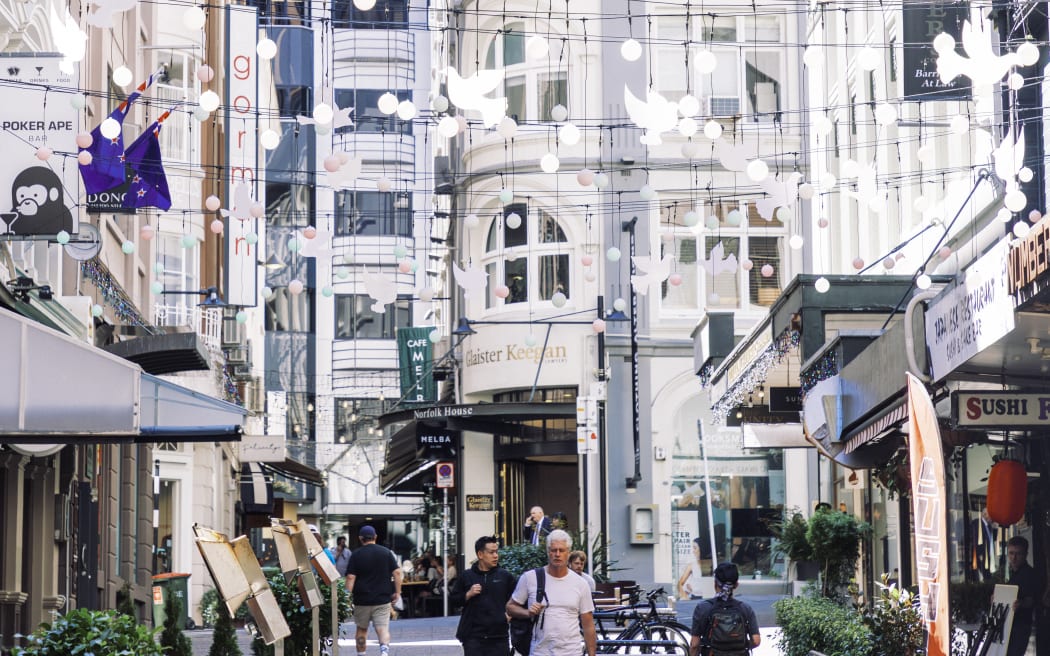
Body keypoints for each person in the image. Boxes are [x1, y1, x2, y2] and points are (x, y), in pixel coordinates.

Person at [507, 529, 597, 656]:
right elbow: (510, 607)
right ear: (548, 552)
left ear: (568, 553)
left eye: (561, 550)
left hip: (572, 651)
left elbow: (588, 624)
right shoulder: (530, 578)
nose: (557, 554)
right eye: (554, 550)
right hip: (539, 651)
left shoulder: (581, 583)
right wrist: (528, 612)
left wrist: (592, 654)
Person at [451, 536, 518, 656]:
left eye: (496, 552)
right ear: (480, 554)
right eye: (491, 552)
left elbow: (518, 599)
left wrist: (510, 615)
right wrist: (467, 594)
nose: (496, 556)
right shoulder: (467, 576)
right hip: (473, 637)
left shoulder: (505, 576)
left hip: (499, 636)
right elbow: (453, 600)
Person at [345, 526, 403, 656]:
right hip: (382, 599)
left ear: (360, 538)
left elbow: (350, 577)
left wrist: (347, 597)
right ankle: (384, 651)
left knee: (361, 629)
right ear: (375, 537)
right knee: (382, 628)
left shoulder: (356, 555)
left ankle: (361, 654)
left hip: (362, 600)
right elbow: (397, 573)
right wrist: (398, 592)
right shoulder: (386, 552)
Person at [689, 562, 760, 656]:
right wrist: (740, 646)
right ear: (736, 585)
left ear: (715, 583)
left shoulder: (703, 608)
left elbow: (694, 644)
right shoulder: (745, 609)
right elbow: (756, 641)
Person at [1006, 536, 1038, 656]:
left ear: (1025, 554)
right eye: (1011, 553)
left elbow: (1032, 600)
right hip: (1010, 625)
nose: (1014, 558)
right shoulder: (1012, 573)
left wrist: (1021, 604)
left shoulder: (1029, 574)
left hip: (1021, 626)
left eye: (1018, 554)